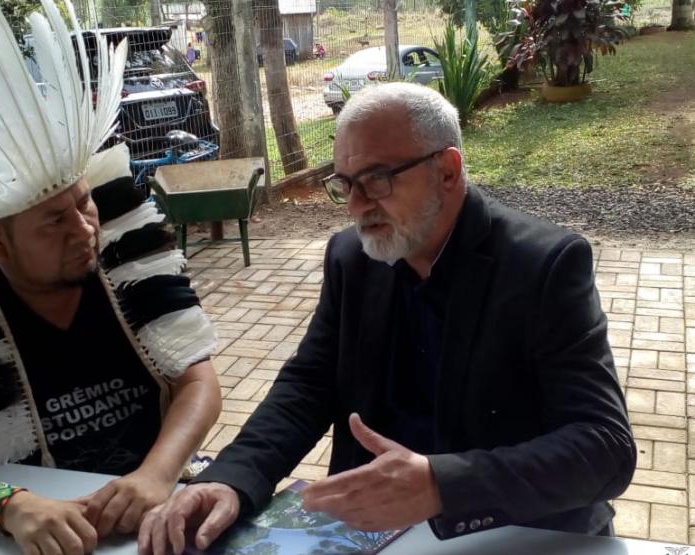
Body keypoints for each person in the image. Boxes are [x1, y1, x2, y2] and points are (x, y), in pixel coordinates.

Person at [138, 82, 636, 555]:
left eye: (377, 180)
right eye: (345, 184)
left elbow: (604, 448)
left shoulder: (543, 265)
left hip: (516, 533)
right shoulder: (352, 259)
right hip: (373, 534)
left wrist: (443, 483)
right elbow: (309, 386)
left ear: (447, 169)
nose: (356, 206)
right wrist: (233, 476)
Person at [0, 1, 220, 554]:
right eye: (55, 221)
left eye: (84, 204)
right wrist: (7, 506)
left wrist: (157, 474)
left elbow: (199, 380)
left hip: (156, 504)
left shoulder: (129, 261)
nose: (84, 230)